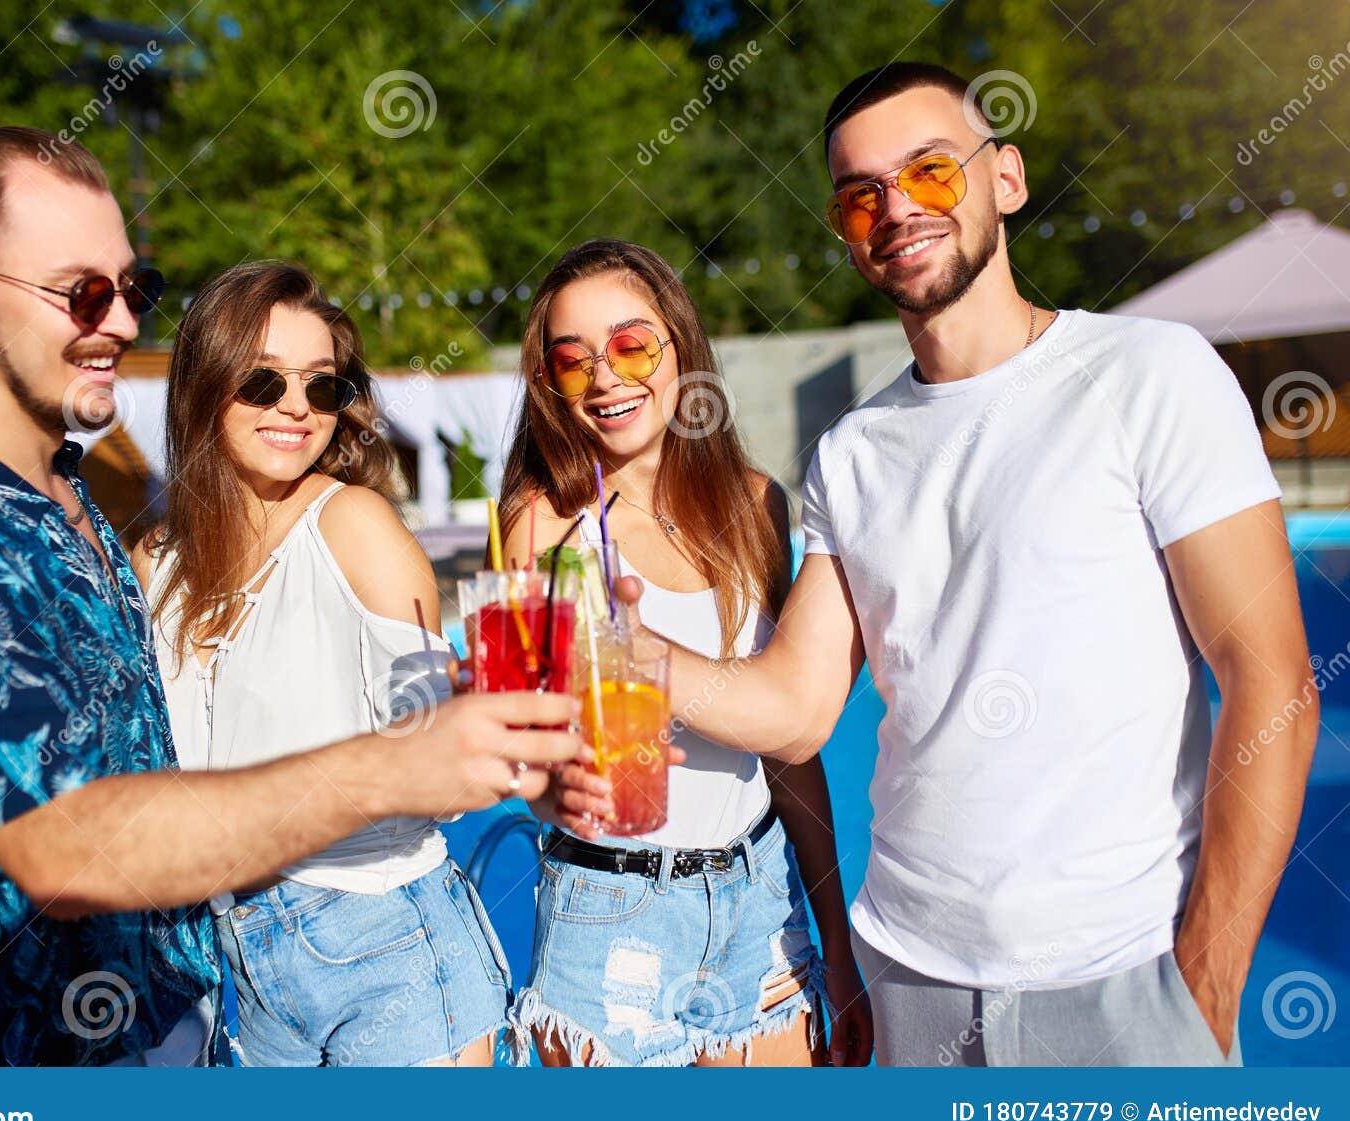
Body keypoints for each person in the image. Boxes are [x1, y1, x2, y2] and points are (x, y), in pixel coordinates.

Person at [0, 127, 583, 1066]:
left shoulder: (74, 513)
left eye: (130, 288)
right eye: (80, 291)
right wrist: (393, 766)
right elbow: (65, 843)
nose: (117, 321)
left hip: (241, 1007)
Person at [621, 62, 1316, 1066]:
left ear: (1006, 179)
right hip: (913, 977)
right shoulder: (852, 452)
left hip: (1122, 983)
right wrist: (626, 648)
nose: (896, 207)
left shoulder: (1148, 375)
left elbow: (1270, 678)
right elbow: (797, 706)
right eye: (861, 195)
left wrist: (1203, 981)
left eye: (930, 170)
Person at [498, 238, 872, 1067]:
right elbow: (519, 745)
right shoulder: (544, 524)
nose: (605, 378)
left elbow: (788, 743)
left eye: (632, 345)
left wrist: (836, 942)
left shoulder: (754, 502)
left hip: (760, 906)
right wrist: (558, 780)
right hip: (612, 912)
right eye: (573, 361)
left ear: (679, 346)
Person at [130, 260, 512, 1066]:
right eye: (263, 382)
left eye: (321, 385)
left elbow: (435, 760)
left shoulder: (354, 526)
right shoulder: (156, 562)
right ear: (203, 387)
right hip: (247, 961)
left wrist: (461, 718)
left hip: (389, 941)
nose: (297, 406)